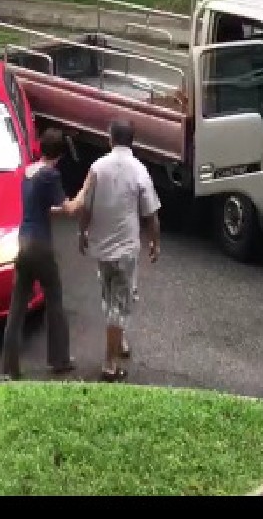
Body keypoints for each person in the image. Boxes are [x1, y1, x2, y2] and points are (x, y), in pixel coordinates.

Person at [0, 127, 87, 381]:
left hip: (23, 241)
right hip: (41, 245)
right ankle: (59, 359)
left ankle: (10, 367)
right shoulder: (50, 174)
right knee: (54, 300)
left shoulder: (29, 173)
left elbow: (45, 209)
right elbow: (69, 209)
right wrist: (86, 188)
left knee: (17, 307)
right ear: (59, 154)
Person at [78, 119, 161, 382]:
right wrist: (155, 242)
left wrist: (82, 233)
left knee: (110, 297)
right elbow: (152, 213)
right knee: (120, 304)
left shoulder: (97, 168)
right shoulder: (139, 170)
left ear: (110, 138)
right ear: (132, 141)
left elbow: (86, 207)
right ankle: (110, 365)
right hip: (126, 251)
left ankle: (120, 340)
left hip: (102, 249)